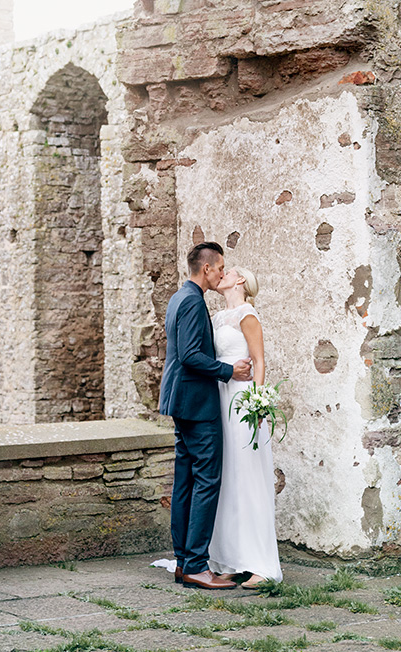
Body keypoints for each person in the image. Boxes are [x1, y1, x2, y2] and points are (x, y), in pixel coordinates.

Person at [159, 242, 252, 590]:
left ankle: (184, 562)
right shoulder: (194, 302)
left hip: (179, 401)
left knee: (184, 482)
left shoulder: (178, 298)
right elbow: (190, 356)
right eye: (220, 267)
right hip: (196, 404)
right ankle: (197, 565)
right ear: (207, 268)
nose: (221, 273)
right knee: (206, 481)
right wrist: (229, 371)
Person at [208, 266, 283, 586]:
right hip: (221, 397)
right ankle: (229, 559)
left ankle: (261, 566)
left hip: (242, 400)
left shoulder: (247, 315)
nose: (222, 274)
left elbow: (259, 360)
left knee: (248, 476)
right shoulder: (215, 318)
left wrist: (258, 402)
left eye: (230, 271)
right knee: (227, 479)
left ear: (241, 281)